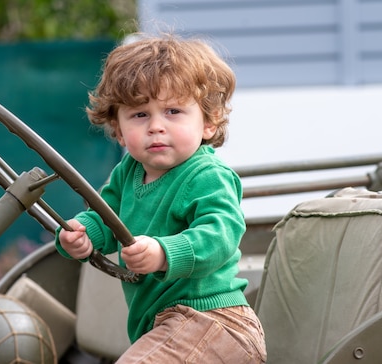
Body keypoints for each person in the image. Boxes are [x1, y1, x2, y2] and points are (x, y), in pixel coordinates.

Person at [55, 33, 267, 363]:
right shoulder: (128, 172)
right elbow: (106, 219)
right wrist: (82, 235)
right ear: (120, 130)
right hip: (162, 326)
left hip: (215, 323)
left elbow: (220, 236)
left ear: (208, 122)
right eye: (140, 115)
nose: (156, 126)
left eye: (172, 111)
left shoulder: (206, 175)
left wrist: (164, 252)